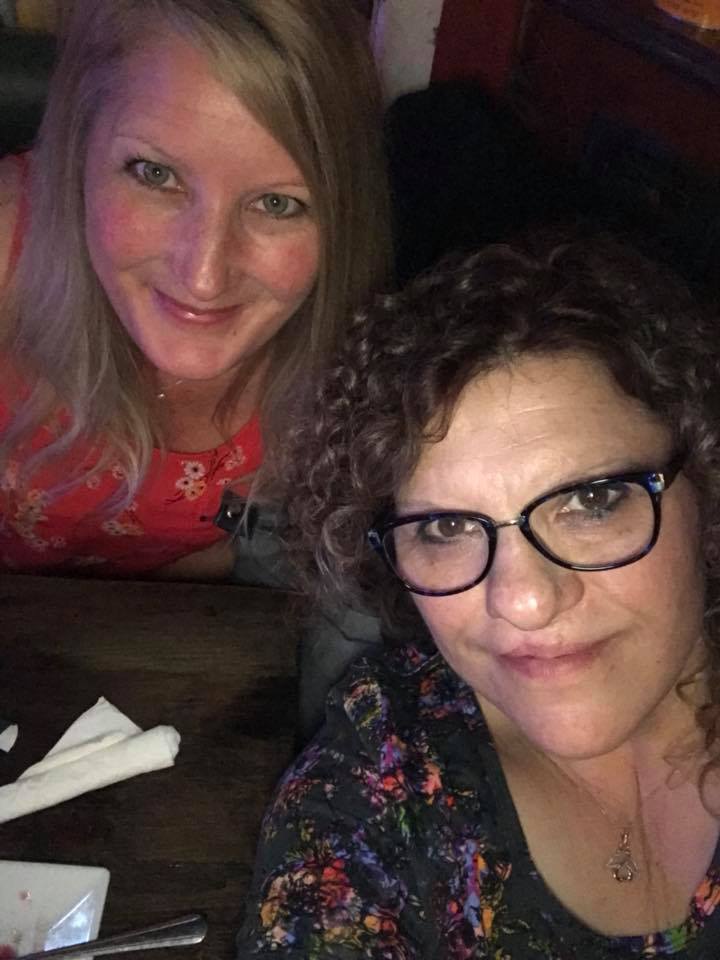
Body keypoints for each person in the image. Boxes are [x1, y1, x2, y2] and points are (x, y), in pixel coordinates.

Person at [238, 235, 720, 957]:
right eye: (447, 527)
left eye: (590, 501)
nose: (523, 601)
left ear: (705, 484)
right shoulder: (375, 785)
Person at [0, 0, 390, 579]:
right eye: (155, 174)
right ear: (76, 148)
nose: (203, 278)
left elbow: (210, 551)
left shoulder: (350, 359)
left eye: (277, 204)